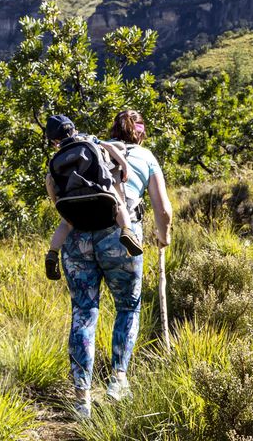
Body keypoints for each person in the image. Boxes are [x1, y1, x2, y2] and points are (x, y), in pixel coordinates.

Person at [59, 109, 173, 418]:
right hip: (120, 237)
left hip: (77, 238)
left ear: (113, 128)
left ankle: (81, 397)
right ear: (140, 132)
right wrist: (164, 237)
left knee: (84, 311)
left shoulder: (90, 150)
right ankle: (118, 380)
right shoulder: (145, 156)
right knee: (127, 306)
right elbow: (163, 208)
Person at [44, 115, 141, 284]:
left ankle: (52, 252)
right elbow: (110, 147)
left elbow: (50, 182)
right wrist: (124, 167)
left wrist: (58, 203)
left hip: (70, 197)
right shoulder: (87, 139)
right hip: (98, 189)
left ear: (54, 141)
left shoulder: (57, 155)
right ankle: (127, 231)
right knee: (119, 205)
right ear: (74, 129)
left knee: (65, 223)